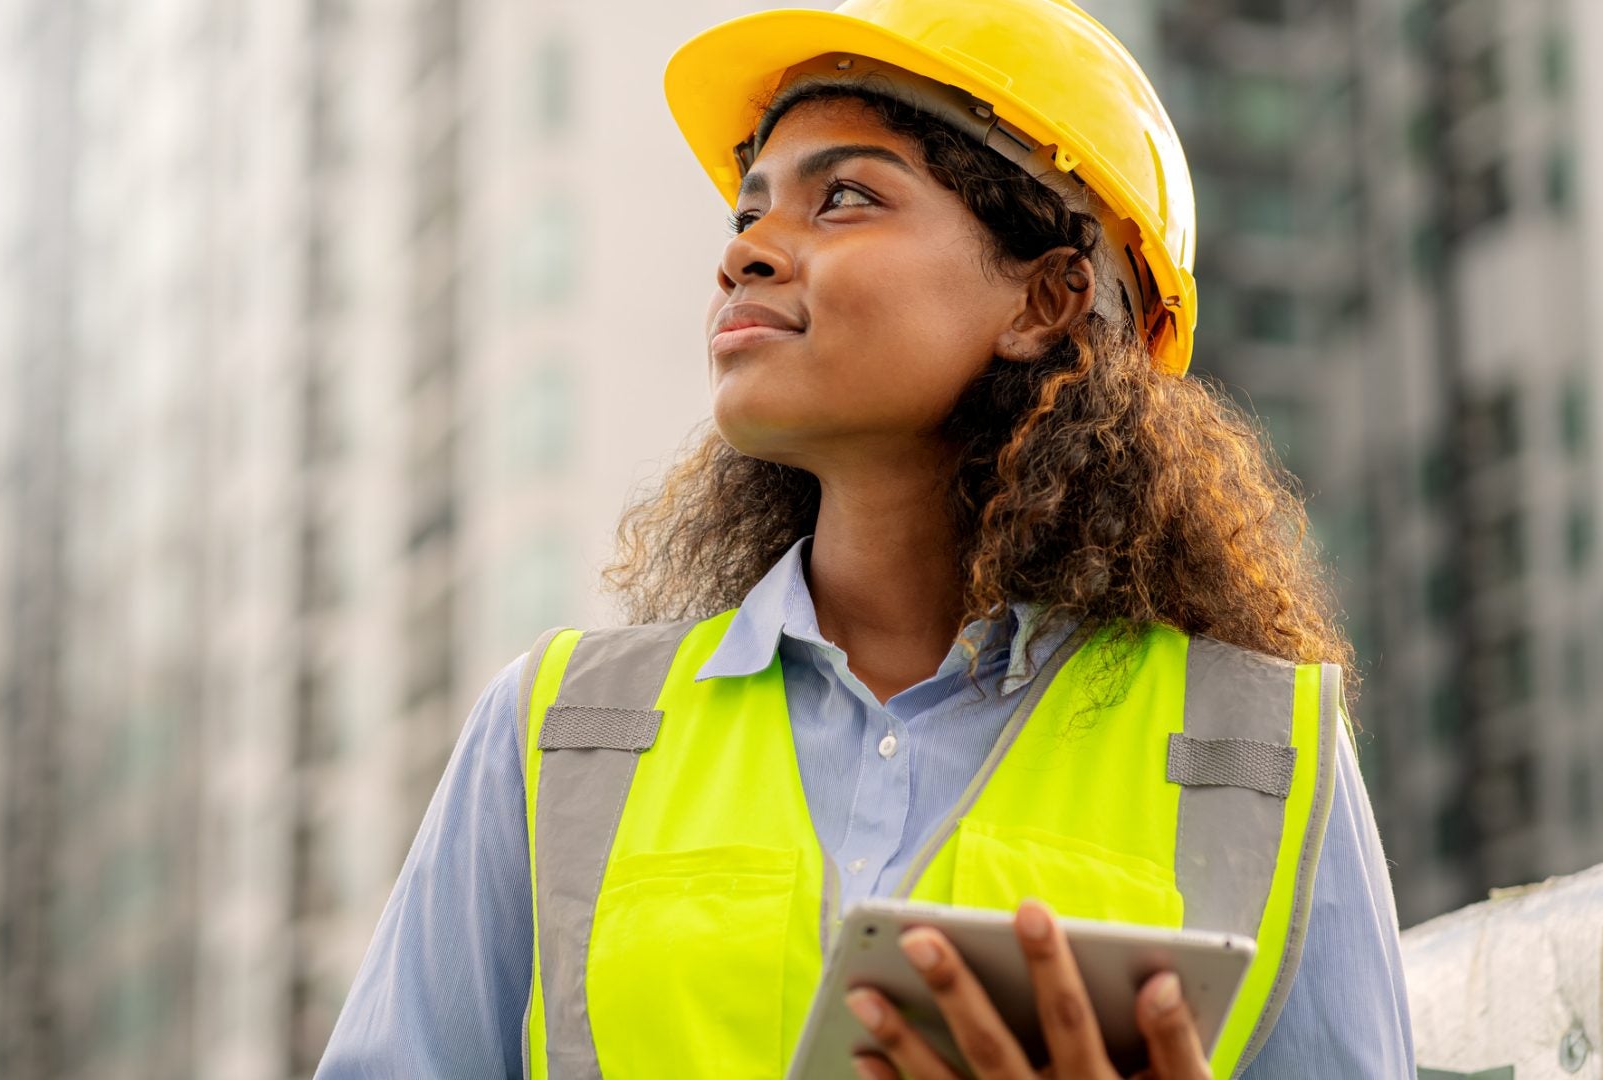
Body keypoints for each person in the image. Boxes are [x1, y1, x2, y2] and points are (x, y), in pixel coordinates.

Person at [318, 0, 1415, 1077]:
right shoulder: (563, 733)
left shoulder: (1266, 756)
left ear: (1046, 298)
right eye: (748, 214)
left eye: (841, 197)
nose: (746, 252)